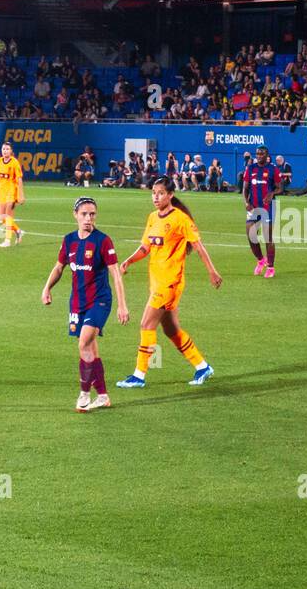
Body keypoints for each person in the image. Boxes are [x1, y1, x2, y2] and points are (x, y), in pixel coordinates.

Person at [115, 177, 223, 388]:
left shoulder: (180, 219)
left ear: (170, 195)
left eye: (160, 193)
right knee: (171, 330)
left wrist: (212, 271)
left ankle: (139, 375)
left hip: (170, 283)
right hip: (156, 281)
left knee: (146, 324)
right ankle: (202, 366)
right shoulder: (153, 217)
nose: (156, 197)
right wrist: (129, 260)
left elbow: (199, 247)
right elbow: (145, 247)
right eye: (153, 192)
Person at [41, 197, 129, 412]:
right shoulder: (69, 240)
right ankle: (103, 396)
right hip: (77, 302)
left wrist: (122, 305)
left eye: (92, 214)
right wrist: (47, 288)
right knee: (89, 349)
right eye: (84, 214)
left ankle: (84, 393)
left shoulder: (103, 241)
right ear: (75, 215)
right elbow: (59, 267)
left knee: (83, 343)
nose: (88, 218)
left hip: (100, 301)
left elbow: (116, 274)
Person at [242, 145, 282, 278]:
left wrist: (272, 193)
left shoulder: (273, 169)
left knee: (268, 237)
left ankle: (270, 267)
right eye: (257, 154)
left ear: (267, 155)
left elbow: (280, 187)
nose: (259, 156)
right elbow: (245, 188)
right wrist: (246, 202)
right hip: (254, 206)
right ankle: (261, 260)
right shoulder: (250, 168)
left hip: (268, 206)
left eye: (262, 154)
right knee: (250, 234)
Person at [0, 142, 24, 247]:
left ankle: (7, 240)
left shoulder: (14, 163)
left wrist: (21, 194)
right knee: (2, 218)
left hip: (11, 190)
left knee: (8, 216)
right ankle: (18, 231)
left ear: (11, 151)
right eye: (3, 149)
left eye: (7, 149)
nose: (5, 151)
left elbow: (19, 179)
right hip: (2, 191)